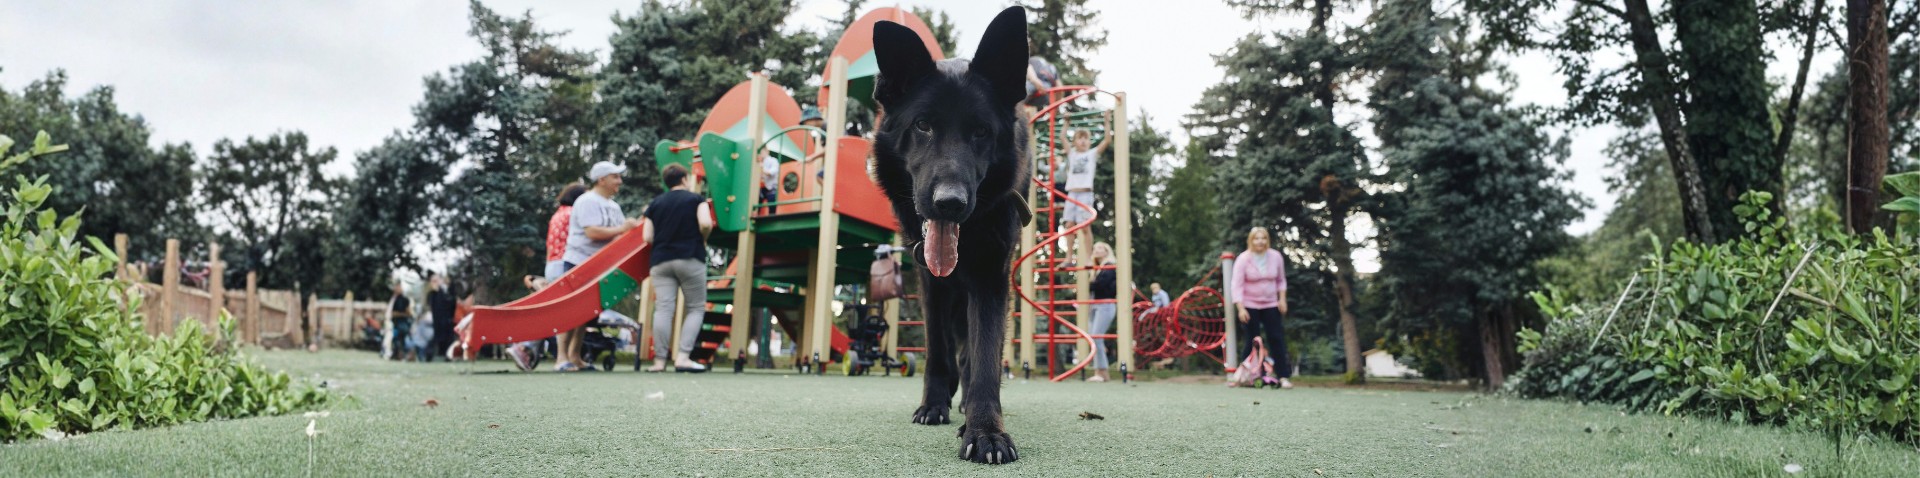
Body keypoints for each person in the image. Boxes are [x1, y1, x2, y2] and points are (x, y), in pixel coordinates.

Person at [560, 161, 645, 371]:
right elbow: (592, 233)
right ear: (602, 179)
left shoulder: (613, 206)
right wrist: (623, 228)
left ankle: (575, 356)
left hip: (599, 266)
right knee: (568, 312)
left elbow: (619, 236)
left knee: (588, 313)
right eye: (615, 177)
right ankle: (561, 358)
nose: (620, 181)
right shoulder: (587, 200)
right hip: (579, 262)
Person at [643, 163, 716, 373]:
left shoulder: (655, 204)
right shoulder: (696, 199)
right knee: (695, 308)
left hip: (661, 260)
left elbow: (647, 237)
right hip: (690, 257)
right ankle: (683, 357)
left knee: (664, 309)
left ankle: (659, 362)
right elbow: (705, 224)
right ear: (685, 179)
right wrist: (702, 240)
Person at [1231, 227, 1292, 389]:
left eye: (1263, 238)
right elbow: (1236, 285)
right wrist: (1241, 308)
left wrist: (1282, 300)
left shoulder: (1276, 257)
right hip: (1249, 305)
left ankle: (1283, 376)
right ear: (1251, 240)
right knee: (1252, 341)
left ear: (1267, 240)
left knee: (1276, 339)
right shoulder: (1243, 259)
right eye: (1257, 238)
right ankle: (1246, 377)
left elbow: (1281, 280)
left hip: (1271, 304)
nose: (1260, 241)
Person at [1060, 112, 1114, 261]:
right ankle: (1069, 257)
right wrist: (1066, 123)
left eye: (1086, 138)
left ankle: (1089, 257)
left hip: (1085, 194)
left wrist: (1106, 121)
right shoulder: (1072, 154)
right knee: (1069, 225)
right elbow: (1062, 138)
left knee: (1084, 226)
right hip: (1072, 194)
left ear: (1089, 142)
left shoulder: (1091, 154)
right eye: (1080, 138)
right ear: (1075, 141)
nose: (1083, 141)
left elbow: (1107, 140)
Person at [1086, 241, 1120, 382]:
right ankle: (1099, 371)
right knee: (1094, 338)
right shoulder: (1097, 268)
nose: (1096, 250)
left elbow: (1101, 285)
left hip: (1105, 305)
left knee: (1096, 337)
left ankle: (1102, 373)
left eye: (1100, 248)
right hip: (1096, 305)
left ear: (1107, 251)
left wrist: (1090, 284)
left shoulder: (1110, 266)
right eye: (1095, 248)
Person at [426, 274, 457, 362]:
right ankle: (429, 355)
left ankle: (448, 356)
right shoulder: (433, 294)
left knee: (448, 339)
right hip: (439, 320)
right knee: (437, 338)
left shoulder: (444, 291)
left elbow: (450, 303)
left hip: (447, 319)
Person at [385, 279, 413, 361]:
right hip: (395, 322)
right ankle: (396, 354)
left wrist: (398, 314)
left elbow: (408, 313)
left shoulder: (404, 299)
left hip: (402, 323)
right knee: (395, 339)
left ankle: (402, 355)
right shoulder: (394, 298)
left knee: (400, 339)